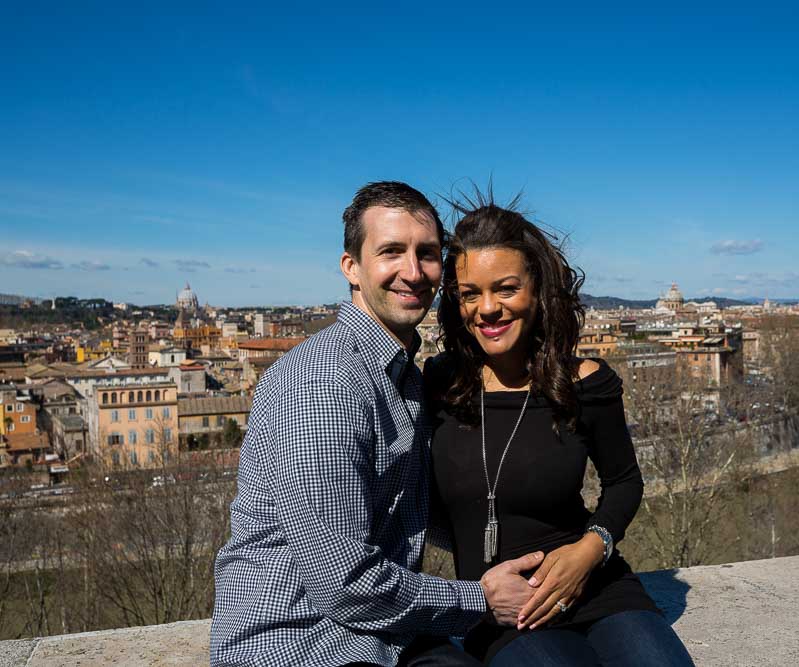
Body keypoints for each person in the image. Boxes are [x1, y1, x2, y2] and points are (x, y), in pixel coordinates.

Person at [211, 181, 544, 667]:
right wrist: (483, 599)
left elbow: (414, 509)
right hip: (299, 640)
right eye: (392, 251)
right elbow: (340, 581)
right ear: (352, 267)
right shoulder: (324, 384)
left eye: (427, 254)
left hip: (387, 633)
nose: (413, 272)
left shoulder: (401, 373)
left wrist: (549, 547)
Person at [425, 193, 695, 666]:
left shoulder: (584, 383)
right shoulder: (439, 383)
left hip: (597, 587)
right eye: (471, 293)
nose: (487, 308)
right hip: (504, 610)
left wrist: (589, 552)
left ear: (537, 290)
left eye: (505, 288)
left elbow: (624, 482)